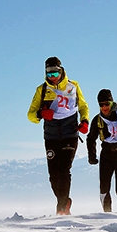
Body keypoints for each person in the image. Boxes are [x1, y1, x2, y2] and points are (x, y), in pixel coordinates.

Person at [27, 57, 89, 215]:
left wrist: (85, 121)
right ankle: (63, 200)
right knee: (53, 175)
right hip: (51, 137)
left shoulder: (73, 86)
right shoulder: (41, 90)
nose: (52, 76)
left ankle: (62, 206)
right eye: (49, 73)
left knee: (64, 169)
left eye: (55, 72)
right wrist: (41, 114)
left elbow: (83, 106)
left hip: (70, 134)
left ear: (61, 71)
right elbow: (30, 115)